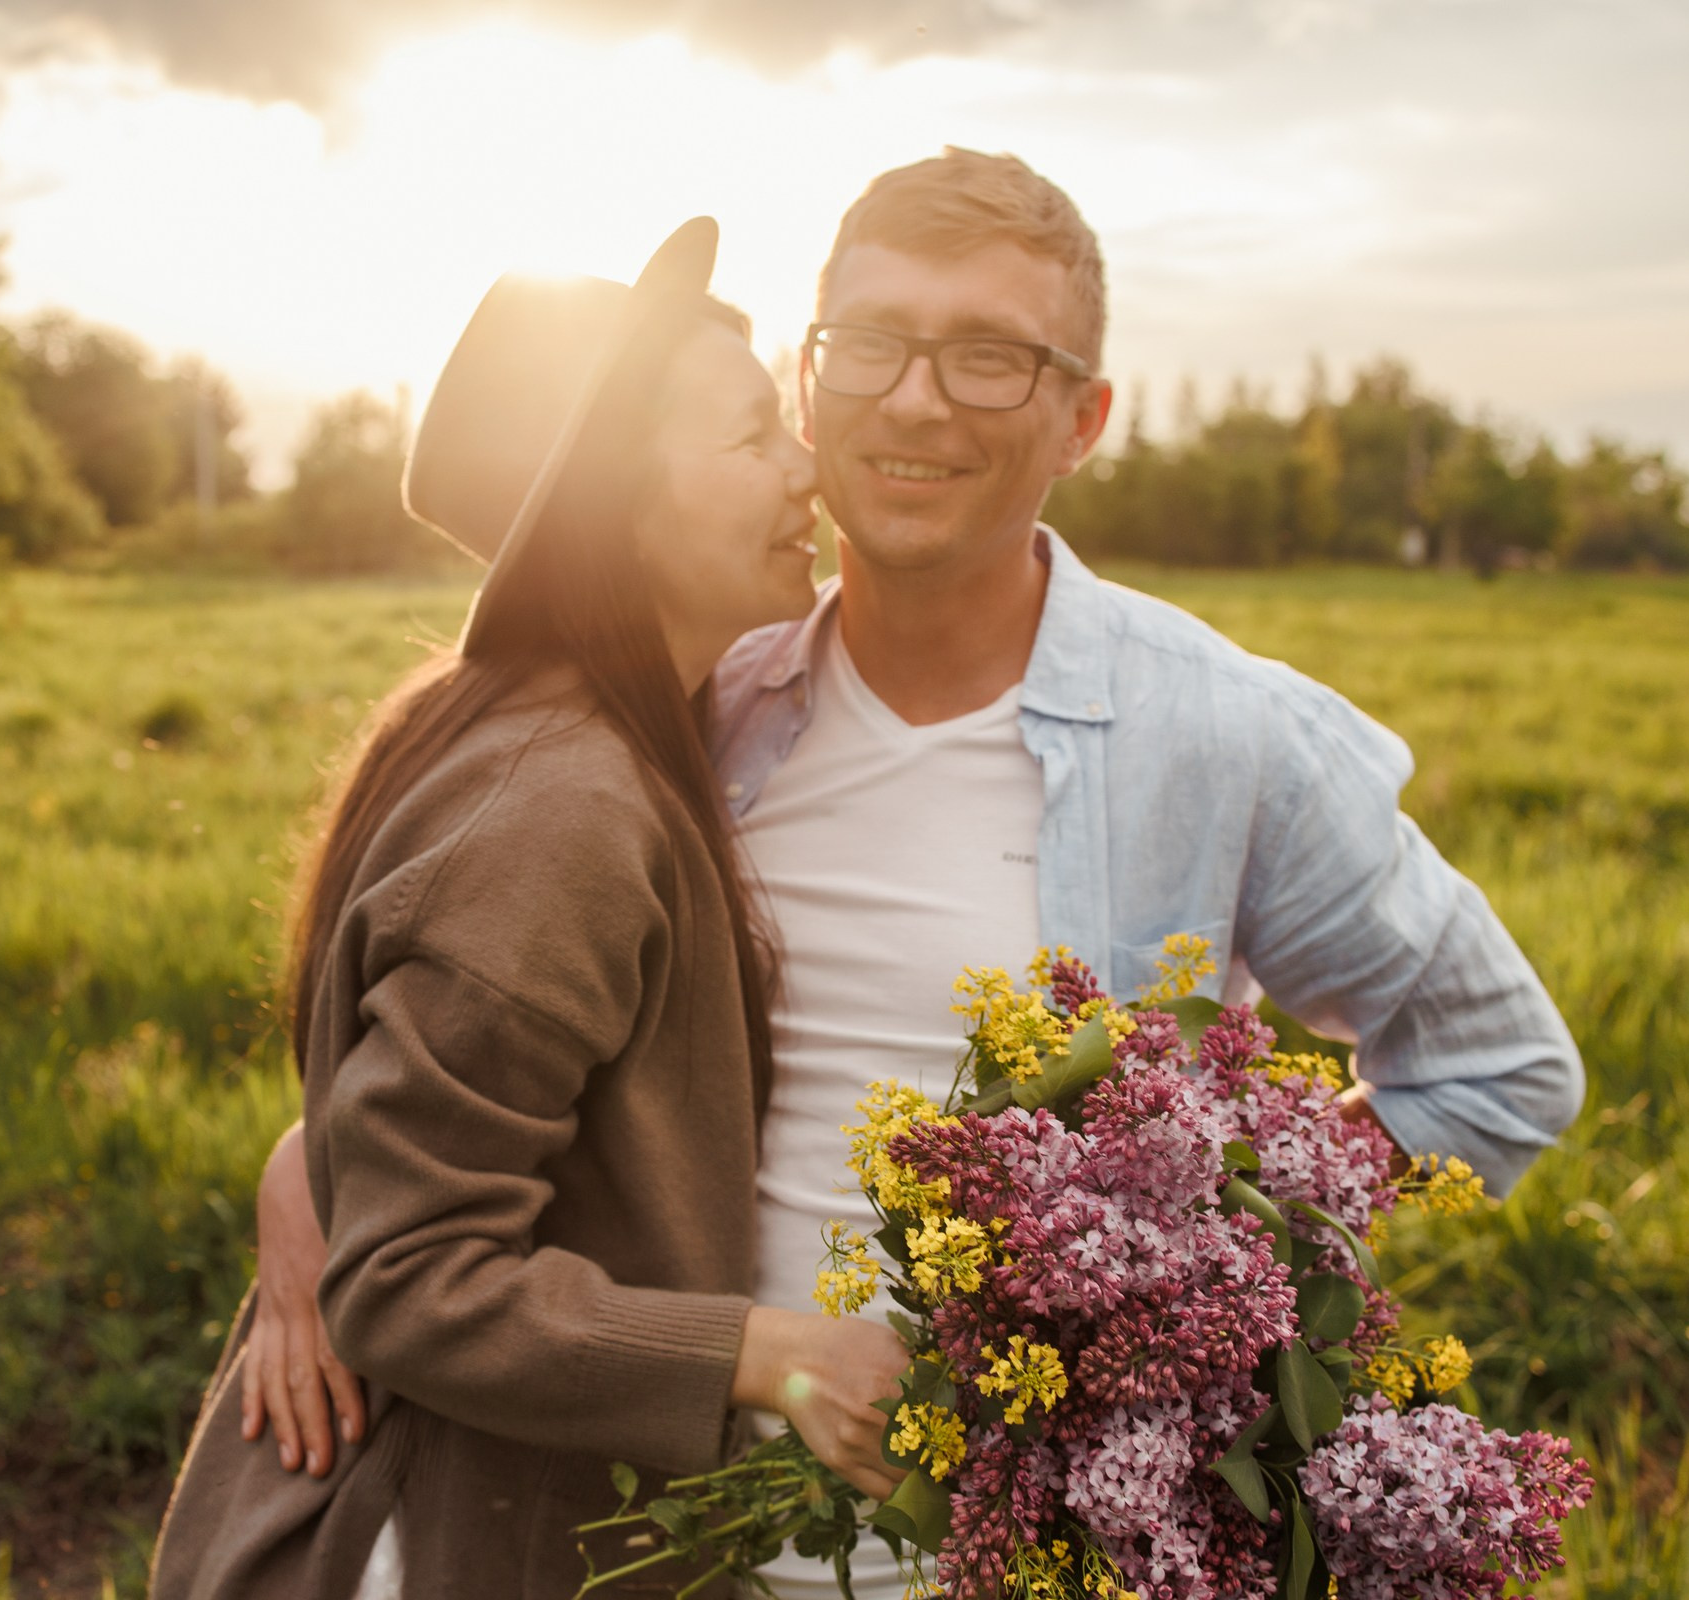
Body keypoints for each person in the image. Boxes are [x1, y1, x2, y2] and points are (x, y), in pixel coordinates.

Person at [244, 151, 1585, 1598]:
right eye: (872, 342)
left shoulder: (1222, 735)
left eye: (991, 358)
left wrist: (1215, 1261)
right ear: (812, 381)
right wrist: (316, 1176)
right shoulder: (691, 709)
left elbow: (1495, 1065)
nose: (917, 399)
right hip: (658, 1548)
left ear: (1084, 420)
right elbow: (489, 1031)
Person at [147, 219, 908, 1600]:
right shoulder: (566, 809)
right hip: (444, 1550)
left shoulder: (577, 742)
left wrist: (307, 1159)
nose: (809, 468)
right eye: (751, 438)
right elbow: (407, 1276)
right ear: (615, 505)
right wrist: (776, 1352)